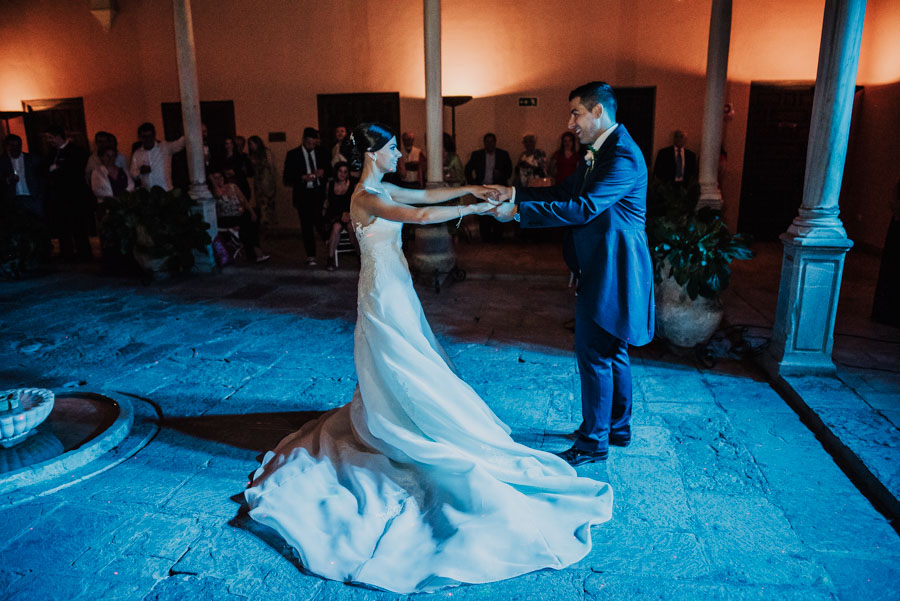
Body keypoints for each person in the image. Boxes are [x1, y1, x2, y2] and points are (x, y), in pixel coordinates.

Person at [244, 122, 612, 594]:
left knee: (411, 355)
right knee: (399, 359)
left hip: (396, 285)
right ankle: (402, 422)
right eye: (393, 147)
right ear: (374, 153)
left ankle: (404, 412)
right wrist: (474, 207)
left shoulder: (380, 184)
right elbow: (416, 217)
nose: (400, 152)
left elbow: (424, 195)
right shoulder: (366, 198)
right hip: (382, 292)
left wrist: (470, 189)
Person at [487, 81, 655, 466]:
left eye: (576, 113)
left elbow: (583, 208)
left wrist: (517, 215)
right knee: (613, 348)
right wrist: (513, 194)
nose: (571, 122)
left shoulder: (622, 155)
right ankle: (617, 426)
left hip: (616, 265)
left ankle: (594, 442)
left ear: (599, 111)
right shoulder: (600, 151)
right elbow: (565, 191)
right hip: (605, 260)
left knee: (594, 350)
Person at [43, 124, 94, 260]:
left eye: (50, 137)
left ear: (58, 136)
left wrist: (57, 169)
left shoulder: (77, 151)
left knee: (79, 226)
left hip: (74, 195)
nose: (49, 141)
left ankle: (84, 254)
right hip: (59, 197)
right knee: (63, 227)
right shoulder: (52, 153)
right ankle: (67, 253)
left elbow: (76, 171)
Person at [283, 127, 328, 265]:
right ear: (303, 140)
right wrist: (302, 177)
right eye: (309, 144)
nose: (311, 147)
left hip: (319, 193)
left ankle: (330, 245)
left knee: (321, 221)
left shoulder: (322, 152)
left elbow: (332, 171)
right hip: (303, 195)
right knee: (306, 225)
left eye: (314, 144)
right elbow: (286, 178)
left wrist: (323, 173)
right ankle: (311, 255)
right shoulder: (293, 155)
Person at [208, 170, 269, 263]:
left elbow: (243, 200)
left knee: (253, 215)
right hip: (225, 218)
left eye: (221, 177)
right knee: (247, 224)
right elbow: (219, 194)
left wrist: (251, 212)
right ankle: (256, 251)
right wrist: (213, 182)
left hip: (238, 215)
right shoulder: (214, 191)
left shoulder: (232, 186)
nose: (220, 179)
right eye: (216, 178)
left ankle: (253, 251)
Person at [465, 132, 513, 242]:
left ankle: (498, 238)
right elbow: (468, 169)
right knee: (483, 213)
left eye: (492, 142)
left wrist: (500, 174)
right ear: (484, 143)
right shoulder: (477, 155)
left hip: (498, 188)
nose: (489, 144)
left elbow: (509, 172)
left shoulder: (503, 154)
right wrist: (473, 184)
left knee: (498, 211)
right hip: (483, 189)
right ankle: (485, 238)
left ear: (495, 143)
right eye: (487, 142)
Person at [322, 161, 359, 270]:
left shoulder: (353, 185)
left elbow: (357, 204)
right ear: (336, 172)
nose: (342, 174)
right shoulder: (330, 184)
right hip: (334, 214)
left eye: (345, 172)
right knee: (336, 227)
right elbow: (327, 201)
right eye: (340, 171)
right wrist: (324, 212)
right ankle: (330, 258)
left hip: (349, 214)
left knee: (351, 227)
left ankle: (360, 257)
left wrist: (350, 214)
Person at [130, 122, 185, 191]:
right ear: (140, 138)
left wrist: (187, 131)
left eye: (150, 136)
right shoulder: (137, 154)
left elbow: (180, 144)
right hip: (148, 194)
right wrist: (140, 171)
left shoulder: (165, 147)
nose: (148, 139)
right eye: (145, 137)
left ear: (154, 135)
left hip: (166, 191)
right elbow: (132, 174)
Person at [1, 134, 43, 218]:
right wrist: (8, 179)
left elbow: (42, 176)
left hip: (32, 197)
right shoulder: (2, 162)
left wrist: (40, 195)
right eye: (12, 146)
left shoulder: (32, 159)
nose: (15, 148)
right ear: (7, 146)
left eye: (18, 145)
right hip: (13, 200)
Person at [247, 135, 278, 227]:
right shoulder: (252, 155)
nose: (250, 146)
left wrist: (272, 180)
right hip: (258, 183)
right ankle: (264, 223)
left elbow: (271, 167)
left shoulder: (266, 152)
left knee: (269, 204)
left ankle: (271, 224)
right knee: (261, 204)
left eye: (251, 144)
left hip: (267, 181)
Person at [219, 136, 254, 200]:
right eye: (237, 144)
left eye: (241, 145)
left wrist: (241, 171)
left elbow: (250, 173)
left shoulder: (244, 158)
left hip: (240, 187)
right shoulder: (223, 157)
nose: (239, 147)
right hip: (227, 187)